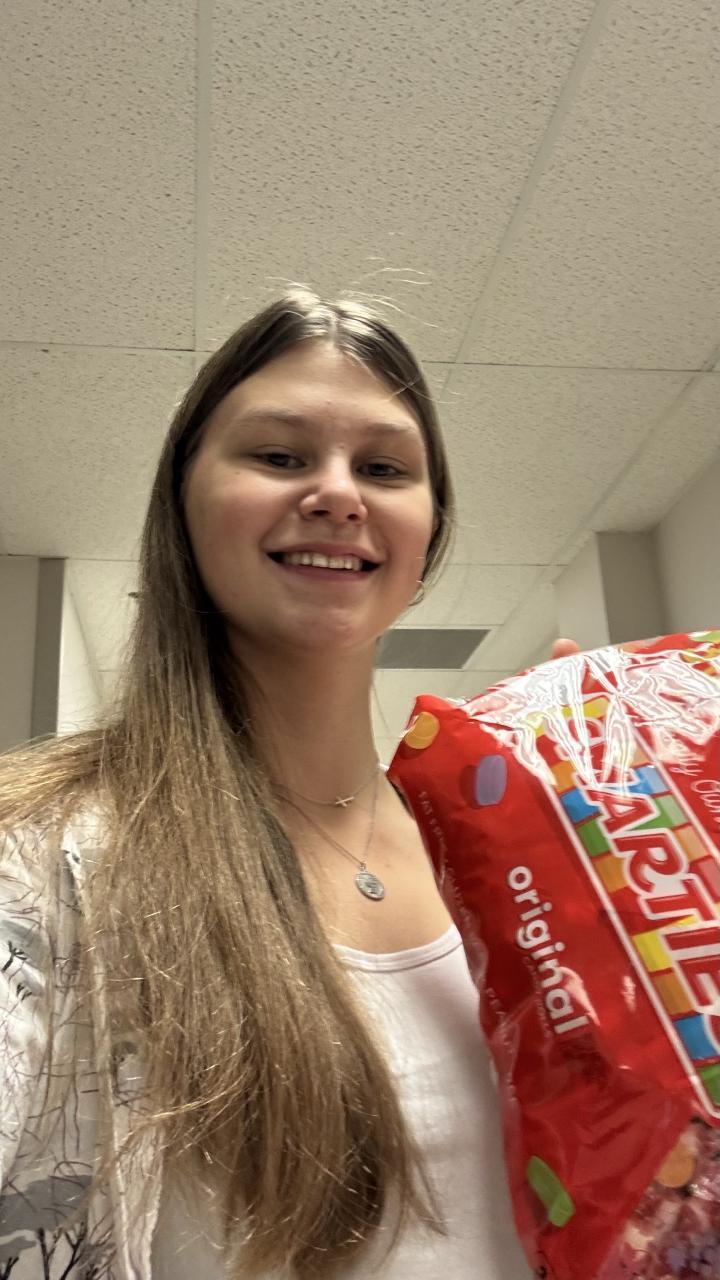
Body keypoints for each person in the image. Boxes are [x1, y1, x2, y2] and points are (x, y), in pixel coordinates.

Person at [0, 288, 575, 1279]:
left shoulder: (506, 852)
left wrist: (630, 866)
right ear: (183, 504)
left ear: (429, 532)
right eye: (279, 455)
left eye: (384, 467)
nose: (339, 494)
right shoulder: (40, 853)